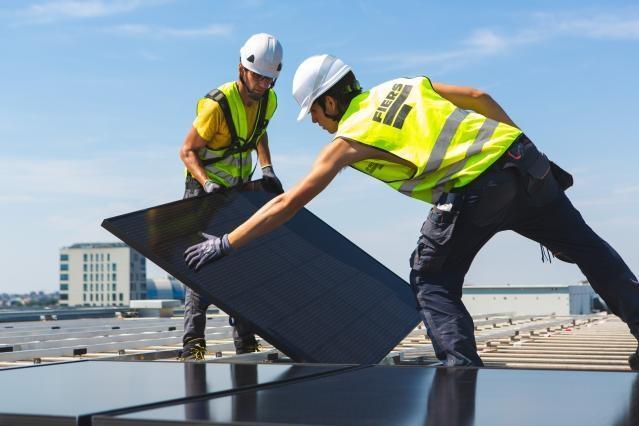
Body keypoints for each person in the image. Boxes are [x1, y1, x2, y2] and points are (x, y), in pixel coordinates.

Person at [184, 54, 639, 368]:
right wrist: (519, 147)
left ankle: (463, 381)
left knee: (432, 280)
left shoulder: (351, 137)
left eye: (316, 115)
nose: (320, 126)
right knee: (589, 251)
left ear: (328, 100)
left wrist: (227, 242)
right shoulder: (401, 84)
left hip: (474, 191)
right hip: (526, 162)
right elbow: (479, 95)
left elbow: (288, 202)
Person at [178, 33, 284, 360]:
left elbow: (259, 131)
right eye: (258, 77)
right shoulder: (217, 105)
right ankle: (193, 345)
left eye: (269, 79)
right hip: (203, 194)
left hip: (239, 191)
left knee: (243, 264)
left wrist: (266, 167)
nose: (262, 85)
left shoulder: (269, 100)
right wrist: (207, 183)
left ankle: (246, 341)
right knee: (202, 264)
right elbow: (187, 151)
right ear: (242, 69)